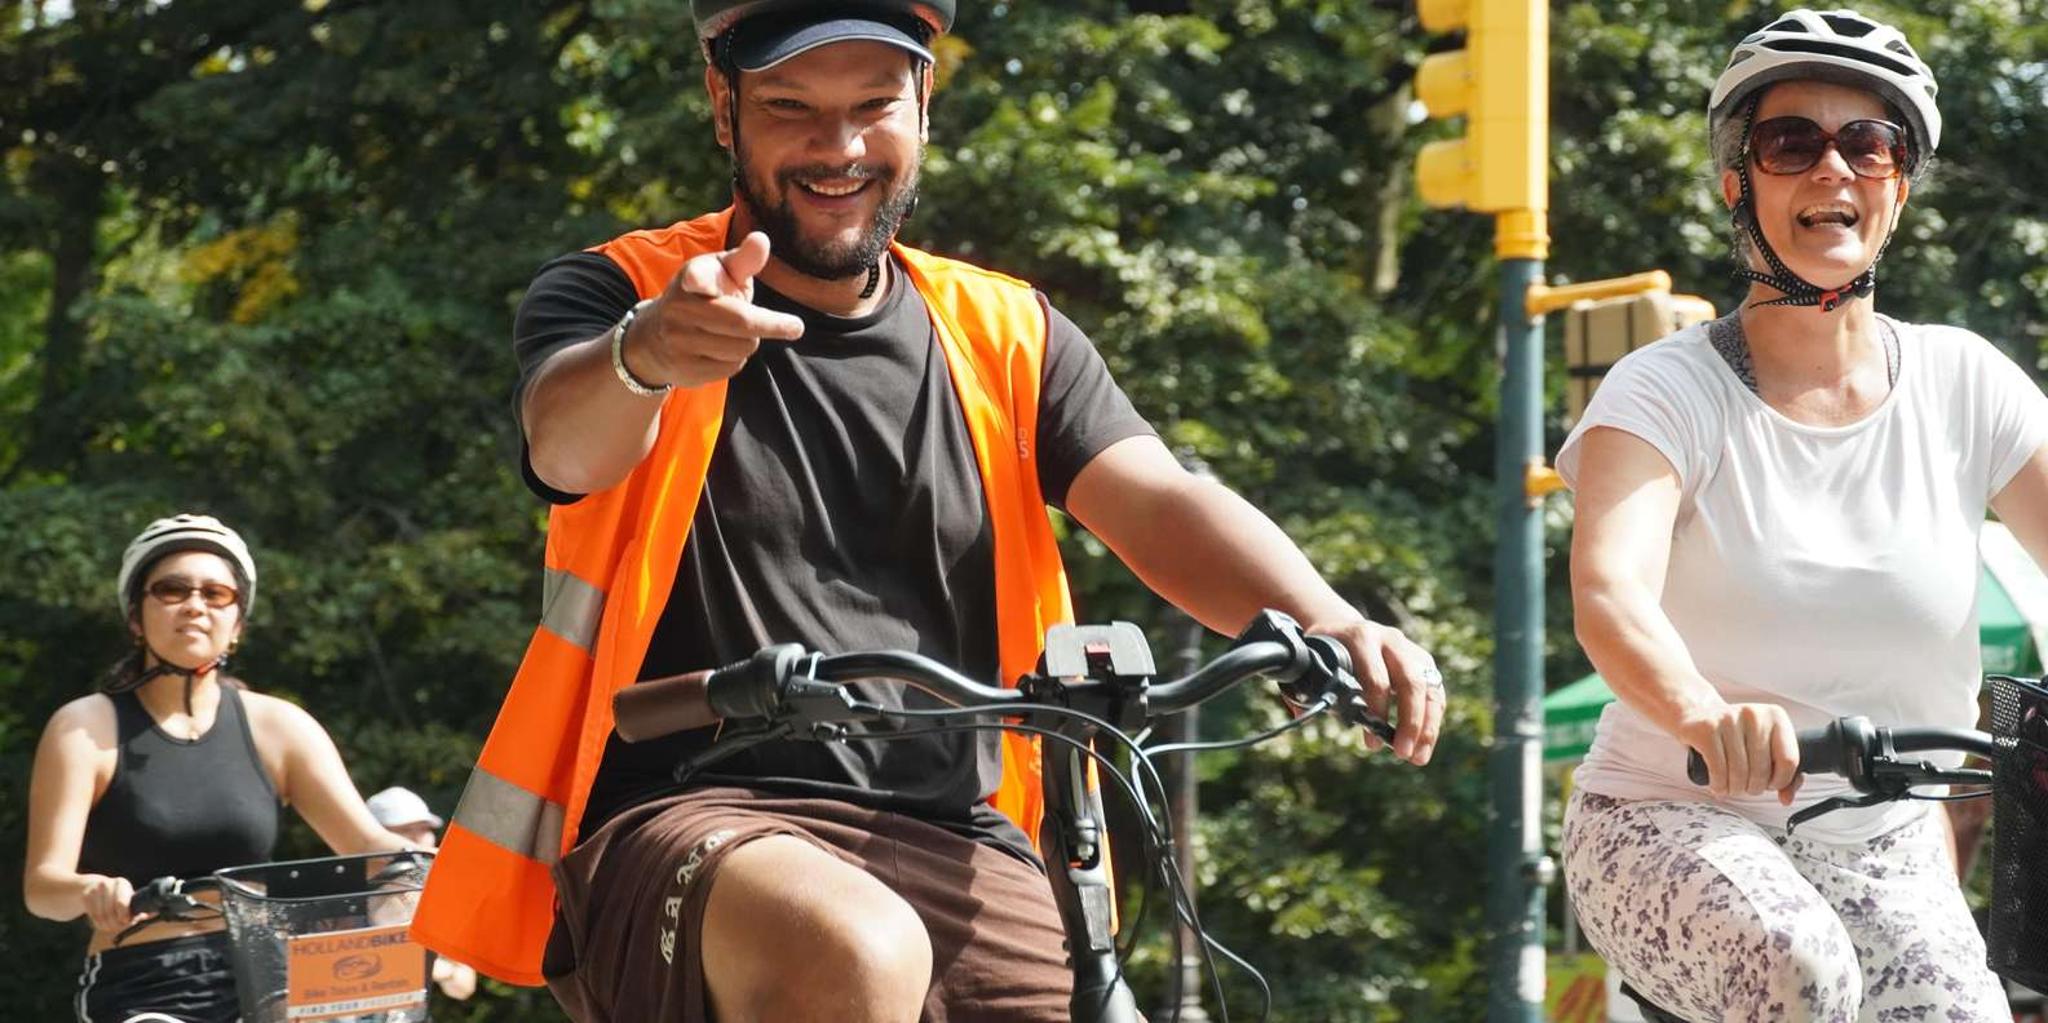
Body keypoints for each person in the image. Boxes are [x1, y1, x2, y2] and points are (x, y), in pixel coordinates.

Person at [412, 2, 1446, 1020]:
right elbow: (563, 442)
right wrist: (644, 356)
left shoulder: (1008, 332)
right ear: (722, 108)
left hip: (959, 831)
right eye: (791, 109)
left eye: (874, 105)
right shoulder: (627, 291)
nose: (840, 147)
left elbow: (1159, 498)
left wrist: (1326, 619)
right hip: (690, 809)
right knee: (856, 951)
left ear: (923, 106)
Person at [1560, 9, 2048, 1021]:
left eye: (1867, 144)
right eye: (1792, 143)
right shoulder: (1663, 393)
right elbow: (1610, 593)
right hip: (1668, 820)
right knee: (1799, 971)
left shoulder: (1965, 381)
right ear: (1738, 182)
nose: (1833, 169)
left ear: (1898, 183)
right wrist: (1701, 715)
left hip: (1882, 841)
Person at [23, 514, 415, 1023]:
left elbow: (369, 847)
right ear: (136, 618)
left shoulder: (280, 726)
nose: (194, 605)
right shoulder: (84, 728)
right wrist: (90, 890)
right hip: (144, 980)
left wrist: (438, 862)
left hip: (270, 977)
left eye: (216, 594)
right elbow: (42, 890)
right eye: (171, 589)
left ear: (238, 626)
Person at [364, 786, 480, 1001]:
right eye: (406, 830)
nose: (419, 840)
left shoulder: (438, 901)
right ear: (373, 835)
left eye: (424, 829)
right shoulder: (341, 897)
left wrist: (433, 968)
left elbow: (464, 987)